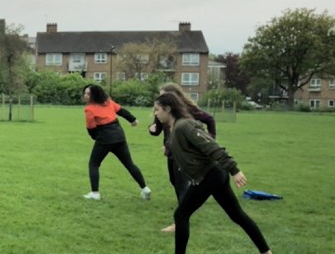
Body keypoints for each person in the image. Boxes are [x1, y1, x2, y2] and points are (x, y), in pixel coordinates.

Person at [153, 93, 271, 254]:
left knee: (181, 215)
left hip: (210, 175)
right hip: (214, 175)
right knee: (237, 215)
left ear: (168, 109)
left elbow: (211, 146)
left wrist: (234, 170)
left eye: (157, 109)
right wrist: (169, 147)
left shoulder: (184, 125)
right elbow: (188, 149)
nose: (155, 113)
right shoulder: (175, 128)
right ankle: (266, 251)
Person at [150, 82, 216, 232]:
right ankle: (190, 205)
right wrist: (152, 129)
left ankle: (180, 220)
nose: (161, 98)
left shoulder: (187, 111)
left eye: (164, 95)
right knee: (175, 181)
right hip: (171, 153)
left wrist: (211, 138)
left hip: (183, 154)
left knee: (182, 186)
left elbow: (209, 120)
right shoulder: (162, 110)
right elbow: (157, 129)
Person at [81, 84, 151, 200]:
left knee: (93, 164)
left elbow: (91, 128)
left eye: (89, 94)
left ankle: (95, 193)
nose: (86, 96)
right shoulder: (108, 102)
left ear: (95, 95)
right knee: (129, 164)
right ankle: (145, 189)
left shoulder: (89, 109)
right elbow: (121, 111)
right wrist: (133, 120)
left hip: (105, 138)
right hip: (119, 136)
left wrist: (96, 138)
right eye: (85, 93)